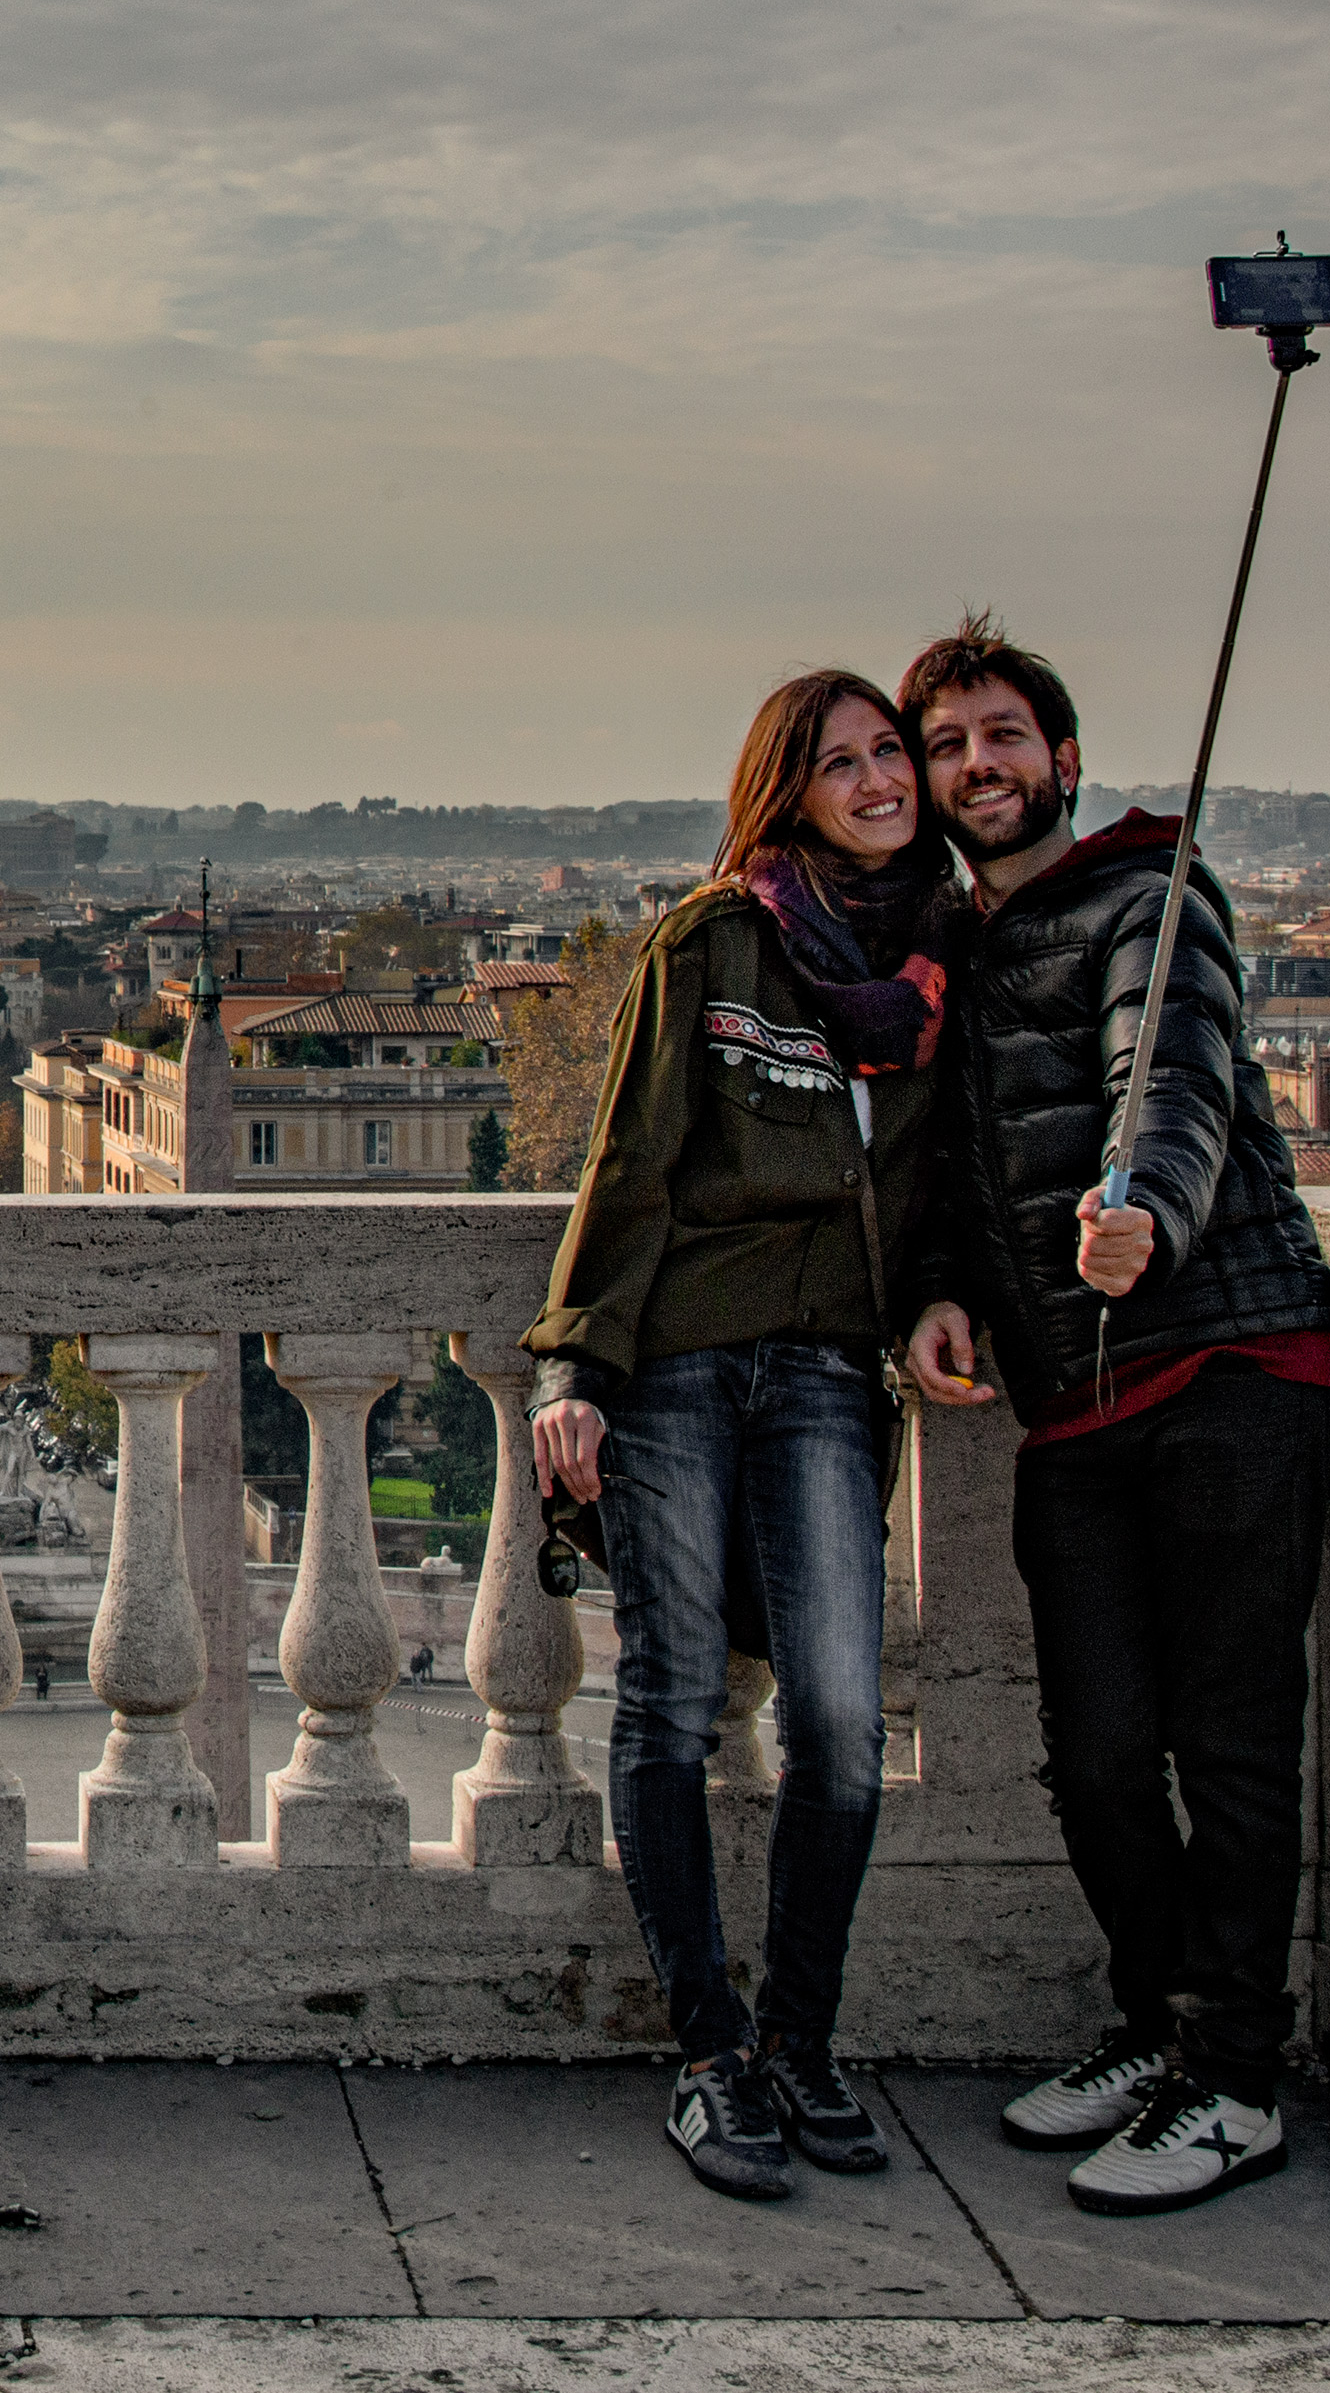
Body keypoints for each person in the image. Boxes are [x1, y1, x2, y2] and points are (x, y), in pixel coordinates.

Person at [894, 613, 1330, 2216]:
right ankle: (1160, 2027)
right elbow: (957, 1164)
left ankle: (1234, 2080)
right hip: (1077, 1403)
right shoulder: (950, 948)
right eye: (946, 744)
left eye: (1002, 736)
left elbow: (1175, 1079)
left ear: (1063, 759)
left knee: (1228, 1742)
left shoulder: (1154, 898)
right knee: (1094, 1756)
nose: (975, 765)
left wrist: (1145, 1205)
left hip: (1233, 1366)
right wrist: (940, 1285)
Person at [522, 670, 959, 2203]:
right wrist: (573, 1365)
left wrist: (943, 1297)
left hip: (833, 1371)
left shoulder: (936, 971)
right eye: (841, 761)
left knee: (841, 1719)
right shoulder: (711, 940)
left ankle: (803, 2043)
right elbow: (629, 1163)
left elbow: (945, 1186)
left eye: (889, 753)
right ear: (787, 788)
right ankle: (712, 2055)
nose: (879, 778)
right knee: (675, 1697)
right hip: (685, 1366)